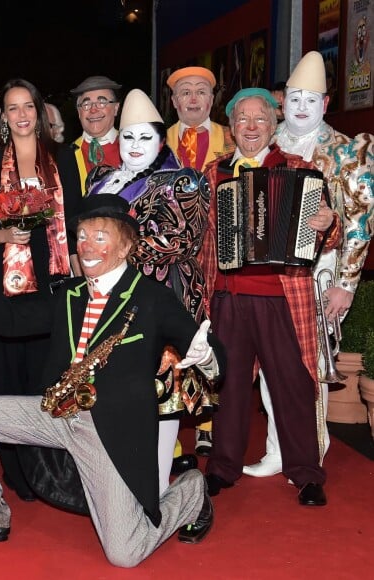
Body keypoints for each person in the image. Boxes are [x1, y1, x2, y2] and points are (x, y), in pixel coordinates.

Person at [0, 193, 226, 567]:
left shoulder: (153, 298)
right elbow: (11, 322)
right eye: (82, 235)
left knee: (125, 554)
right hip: (55, 412)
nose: (86, 246)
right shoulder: (68, 294)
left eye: (100, 237)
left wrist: (207, 357)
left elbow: (206, 344)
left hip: (109, 430)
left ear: (126, 246)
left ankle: (192, 492)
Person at [198, 87, 341, 506]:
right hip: (227, 296)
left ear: (273, 125)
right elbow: (202, 239)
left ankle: (307, 473)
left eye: (260, 119)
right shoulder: (214, 173)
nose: (252, 127)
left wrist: (327, 222)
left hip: (282, 297)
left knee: (293, 384)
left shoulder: (299, 169)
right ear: (232, 128)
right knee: (229, 386)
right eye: (243, 119)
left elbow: (330, 234)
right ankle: (222, 467)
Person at [243, 51, 374, 478]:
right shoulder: (268, 138)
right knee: (269, 362)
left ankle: (308, 453)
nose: (300, 107)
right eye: (294, 98)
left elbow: (360, 223)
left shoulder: (347, 151)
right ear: (281, 102)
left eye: (310, 99)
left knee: (310, 364)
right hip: (268, 271)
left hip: (322, 270)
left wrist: (347, 283)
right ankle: (276, 450)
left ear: (326, 102)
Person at [86, 89, 213, 491]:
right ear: (117, 139)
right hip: (106, 298)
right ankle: (120, 484)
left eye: (146, 137)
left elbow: (182, 240)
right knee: (111, 392)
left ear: (161, 142)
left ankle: (156, 489)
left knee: (160, 397)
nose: (136, 146)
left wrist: (106, 250)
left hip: (161, 297)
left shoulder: (184, 181)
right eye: (128, 137)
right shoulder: (100, 178)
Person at [0, 77, 82, 501]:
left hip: (53, 287)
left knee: (47, 379)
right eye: (13, 108)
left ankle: (51, 469)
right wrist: (3, 237)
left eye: (28, 107)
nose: (21, 115)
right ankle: (19, 474)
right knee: (7, 380)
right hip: (3, 288)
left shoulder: (63, 157)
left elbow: (75, 226)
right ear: (4, 116)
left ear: (39, 112)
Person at [165, 65, 235, 456]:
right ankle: (170, 430)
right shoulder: (159, 140)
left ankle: (207, 422)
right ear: (174, 102)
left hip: (214, 253)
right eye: (185, 93)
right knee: (170, 339)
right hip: (171, 257)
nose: (192, 99)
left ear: (212, 100)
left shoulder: (231, 138)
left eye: (200, 92)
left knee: (210, 335)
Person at [71, 75, 122, 193]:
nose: (93, 109)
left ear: (116, 108)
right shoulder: (67, 154)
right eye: (86, 104)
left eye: (102, 102)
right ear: (79, 112)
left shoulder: (135, 147)